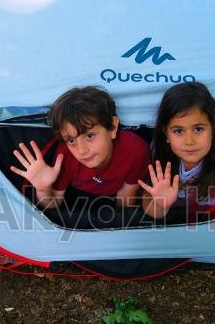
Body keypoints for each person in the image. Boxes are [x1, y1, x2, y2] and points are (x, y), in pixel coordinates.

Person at [11, 86, 149, 225]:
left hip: (113, 199)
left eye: (90, 136)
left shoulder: (135, 149)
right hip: (77, 196)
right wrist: (43, 189)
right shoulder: (64, 156)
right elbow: (53, 203)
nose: (82, 151)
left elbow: (125, 198)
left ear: (112, 127)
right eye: (71, 140)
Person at [138, 82, 215, 221]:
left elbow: (212, 216)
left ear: (213, 129)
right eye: (178, 131)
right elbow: (150, 206)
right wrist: (161, 204)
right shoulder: (159, 153)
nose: (189, 141)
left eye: (198, 129)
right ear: (166, 134)